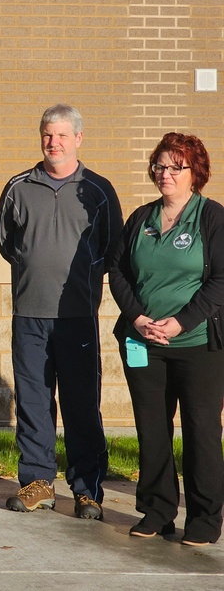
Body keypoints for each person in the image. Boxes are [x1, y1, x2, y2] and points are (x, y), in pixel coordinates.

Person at [0, 104, 122, 521]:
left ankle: (86, 490)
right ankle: (37, 482)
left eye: (63, 135)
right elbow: (8, 244)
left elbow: (110, 249)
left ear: (79, 139)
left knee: (81, 403)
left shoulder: (98, 191)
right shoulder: (18, 188)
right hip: (29, 314)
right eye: (48, 134)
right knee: (33, 401)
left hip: (78, 317)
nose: (54, 142)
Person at [107, 133, 224, 545]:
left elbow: (220, 281)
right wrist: (137, 317)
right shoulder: (141, 218)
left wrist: (181, 322)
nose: (166, 173)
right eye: (160, 165)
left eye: (176, 167)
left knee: (201, 430)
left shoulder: (212, 217)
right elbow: (117, 271)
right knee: (152, 429)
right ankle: (157, 511)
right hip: (143, 344)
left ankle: (205, 519)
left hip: (198, 347)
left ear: (196, 174)